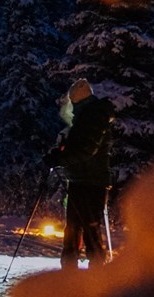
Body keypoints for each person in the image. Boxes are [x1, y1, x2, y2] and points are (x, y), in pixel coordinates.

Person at [43, 78, 115, 270]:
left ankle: (96, 268)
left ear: (78, 100)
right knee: (74, 227)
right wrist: (60, 153)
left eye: (73, 102)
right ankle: (69, 266)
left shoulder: (94, 117)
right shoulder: (87, 117)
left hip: (92, 181)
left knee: (89, 226)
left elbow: (86, 150)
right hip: (80, 179)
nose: (72, 107)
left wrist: (60, 159)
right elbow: (79, 147)